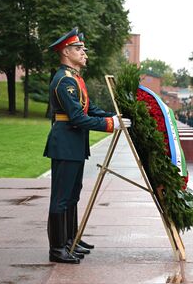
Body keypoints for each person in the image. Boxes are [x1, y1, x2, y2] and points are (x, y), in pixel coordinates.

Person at [43, 28, 131, 264]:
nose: (85, 54)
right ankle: (57, 248)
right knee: (61, 197)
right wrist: (111, 124)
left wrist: (116, 116)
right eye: (79, 49)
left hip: (74, 142)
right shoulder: (64, 81)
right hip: (65, 143)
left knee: (72, 195)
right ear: (65, 52)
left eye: (84, 49)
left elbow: (89, 110)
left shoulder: (75, 79)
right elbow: (77, 118)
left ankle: (71, 240)